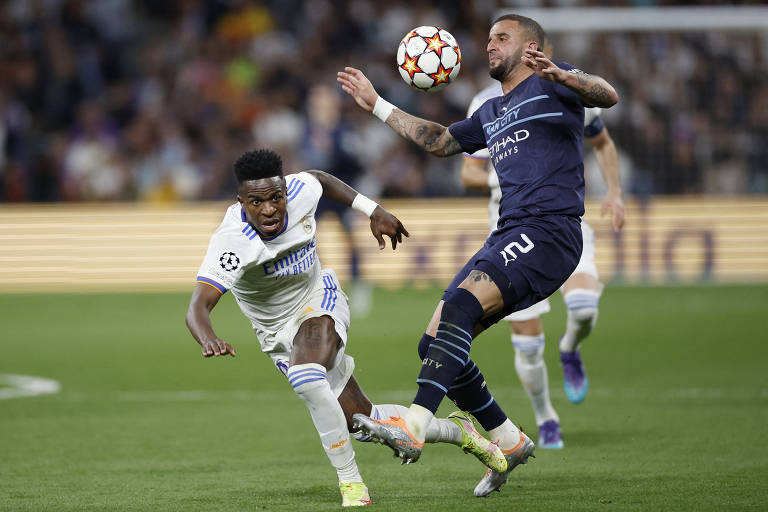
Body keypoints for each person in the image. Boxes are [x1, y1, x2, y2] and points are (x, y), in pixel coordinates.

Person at [337, 13, 618, 497]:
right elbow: (442, 141)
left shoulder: (556, 84)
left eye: (501, 38)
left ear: (531, 47)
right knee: (434, 342)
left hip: (550, 231)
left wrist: (565, 75)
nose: (490, 45)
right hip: (509, 231)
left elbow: (606, 95)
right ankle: (507, 440)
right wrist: (378, 105)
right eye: (488, 38)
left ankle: (416, 422)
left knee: (462, 309)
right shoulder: (493, 111)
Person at [185, 149, 506, 507]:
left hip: (318, 298)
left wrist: (373, 210)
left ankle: (351, 484)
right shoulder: (231, 241)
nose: (270, 209)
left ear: (285, 192)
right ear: (241, 202)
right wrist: (208, 336)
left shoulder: (301, 190)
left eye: (276, 197)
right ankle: (459, 431)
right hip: (276, 332)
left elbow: (321, 179)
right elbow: (198, 305)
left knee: (306, 376)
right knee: (361, 422)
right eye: (256, 202)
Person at [461, 42, 626, 449]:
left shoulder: (564, 88)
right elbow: (469, 174)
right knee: (529, 340)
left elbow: (601, 141)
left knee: (585, 308)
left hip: (562, 216)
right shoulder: (485, 103)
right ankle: (545, 417)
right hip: (510, 226)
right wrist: (510, 174)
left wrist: (616, 193)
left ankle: (570, 346)